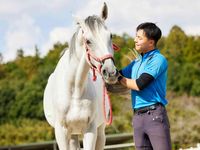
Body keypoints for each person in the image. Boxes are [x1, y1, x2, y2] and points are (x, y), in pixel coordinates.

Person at [118, 22, 171, 150]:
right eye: (136, 36)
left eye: (140, 38)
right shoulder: (137, 62)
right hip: (137, 118)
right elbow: (116, 74)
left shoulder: (158, 60)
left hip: (154, 116)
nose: (135, 40)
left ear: (151, 42)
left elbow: (139, 84)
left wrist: (118, 78)